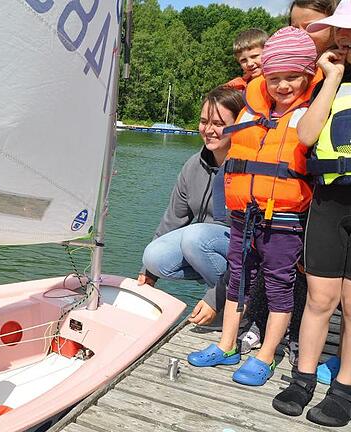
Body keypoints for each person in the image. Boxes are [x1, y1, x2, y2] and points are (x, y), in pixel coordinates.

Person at [187, 27, 322, 387]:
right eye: (275, 77)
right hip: (243, 214)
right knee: (237, 280)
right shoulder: (249, 106)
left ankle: (265, 355)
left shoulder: (308, 114)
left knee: (279, 286)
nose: (282, 85)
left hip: (284, 218)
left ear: (307, 76)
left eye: (292, 77)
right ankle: (227, 344)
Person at [273, 2, 351, 425]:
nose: (342, 37)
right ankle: (303, 378)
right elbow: (306, 134)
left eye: (350, 31)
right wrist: (334, 77)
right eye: (339, 30)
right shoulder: (328, 80)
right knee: (320, 298)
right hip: (328, 202)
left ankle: (344, 388)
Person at [138, 86, 245, 326]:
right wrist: (148, 273)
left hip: (245, 252)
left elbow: (255, 242)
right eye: (204, 121)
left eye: (218, 123)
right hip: (208, 248)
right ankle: (225, 298)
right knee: (154, 255)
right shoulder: (193, 165)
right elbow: (173, 219)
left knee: (195, 237)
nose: (208, 130)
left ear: (238, 124)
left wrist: (213, 298)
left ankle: (232, 301)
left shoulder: (248, 167)